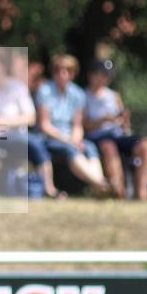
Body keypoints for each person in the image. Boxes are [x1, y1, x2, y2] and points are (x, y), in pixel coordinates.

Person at [0, 52, 60, 199]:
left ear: (2, 67)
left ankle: (49, 189)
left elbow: (30, 118)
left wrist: (3, 121)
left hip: (13, 135)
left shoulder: (17, 88)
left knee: (35, 144)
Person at [35, 54, 110, 196]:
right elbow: (44, 126)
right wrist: (68, 141)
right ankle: (102, 185)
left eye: (67, 70)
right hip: (51, 138)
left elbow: (77, 125)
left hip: (70, 138)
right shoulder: (45, 91)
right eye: (59, 70)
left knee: (90, 147)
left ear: (73, 73)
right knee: (70, 150)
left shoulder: (77, 94)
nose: (63, 74)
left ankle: (100, 186)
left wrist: (75, 139)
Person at [84, 59, 147, 199]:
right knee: (108, 147)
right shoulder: (83, 96)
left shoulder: (114, 96)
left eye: (107, 75)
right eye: (101, 74)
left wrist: (124, 121)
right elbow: (83, 125)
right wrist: (103, 120)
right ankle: (119, 192)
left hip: (117, 135)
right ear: (91, 75)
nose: (104, 79)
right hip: (97, 137)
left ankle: (142, 194)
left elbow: (125, 126)